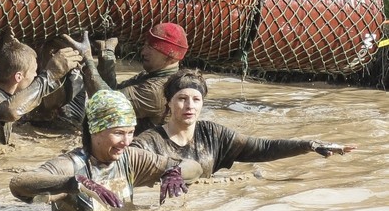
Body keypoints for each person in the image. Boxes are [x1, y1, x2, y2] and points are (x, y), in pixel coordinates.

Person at [9, 90, 203, 211]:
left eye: (130, 132)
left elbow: (195, 167)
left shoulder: (132, 158)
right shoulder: (72, 165)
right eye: (118, 133)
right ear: (95, 131)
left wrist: (175, 171)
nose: (126, 142)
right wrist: (75, 183)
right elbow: (19, 184)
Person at [131, 69, 356, 178]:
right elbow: (124, 164)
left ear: (202, 104)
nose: (189, 105)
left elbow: (262, 148)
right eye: (182, 99)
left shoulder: (212, 135)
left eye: (196, 99)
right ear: (168, 104)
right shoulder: (149, 142)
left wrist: (310, 145)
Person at [0, 35, 82, 147]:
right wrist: (49, 76)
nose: (35, 77)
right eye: (34, 72)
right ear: (18, 77)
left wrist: (8, 45)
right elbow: (12, 111)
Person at [93, 22, 189, 135]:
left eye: (151, 48)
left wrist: (88, 61)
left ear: (170, 57)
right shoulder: (149, 75)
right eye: (145, 45)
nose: (143, 52)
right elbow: (113, 91)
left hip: (145, 150)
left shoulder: (156, 90)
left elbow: (105, 104)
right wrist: (106, 57)